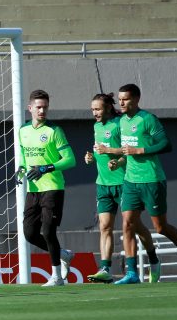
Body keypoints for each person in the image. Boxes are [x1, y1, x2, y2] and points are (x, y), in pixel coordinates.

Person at [83, 93, 156, 284]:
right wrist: (91, 157)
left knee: (133, 226)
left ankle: (152, 260)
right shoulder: (96, 126)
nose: (95, 113)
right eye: (92, 110)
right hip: (103, 185)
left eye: (98, 109)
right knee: (105, 226)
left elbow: (127, 150)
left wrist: (113, 155)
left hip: (125, 183)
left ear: (108, 107)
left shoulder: (120, 124)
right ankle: (105, 268)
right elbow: (100, 151)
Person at [115, 83, 177, 284]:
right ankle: (132, 273)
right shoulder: (121, 122)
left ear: (136, 99)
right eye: (120, 99)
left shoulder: (148, 119)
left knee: (160, 227)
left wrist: (140, 151)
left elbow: (166, 144)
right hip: (130, 181)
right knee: (127, 223)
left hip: (152, 180)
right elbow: (126, 150)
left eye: (125, 99)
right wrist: (118, 161)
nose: (121, 102)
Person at [17, 89, 76, 286]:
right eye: (39, 107)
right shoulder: (23, 131)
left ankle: (57, 277)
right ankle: (64, 254)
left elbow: (70, 160)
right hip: (33, 190)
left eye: (45, 107)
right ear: (30, 108)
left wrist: (46, 167)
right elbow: (24, 157)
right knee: (29, 234)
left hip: (53, 187)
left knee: (49, 231)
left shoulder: (54, 131)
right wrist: (21, 170)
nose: (42, 111)